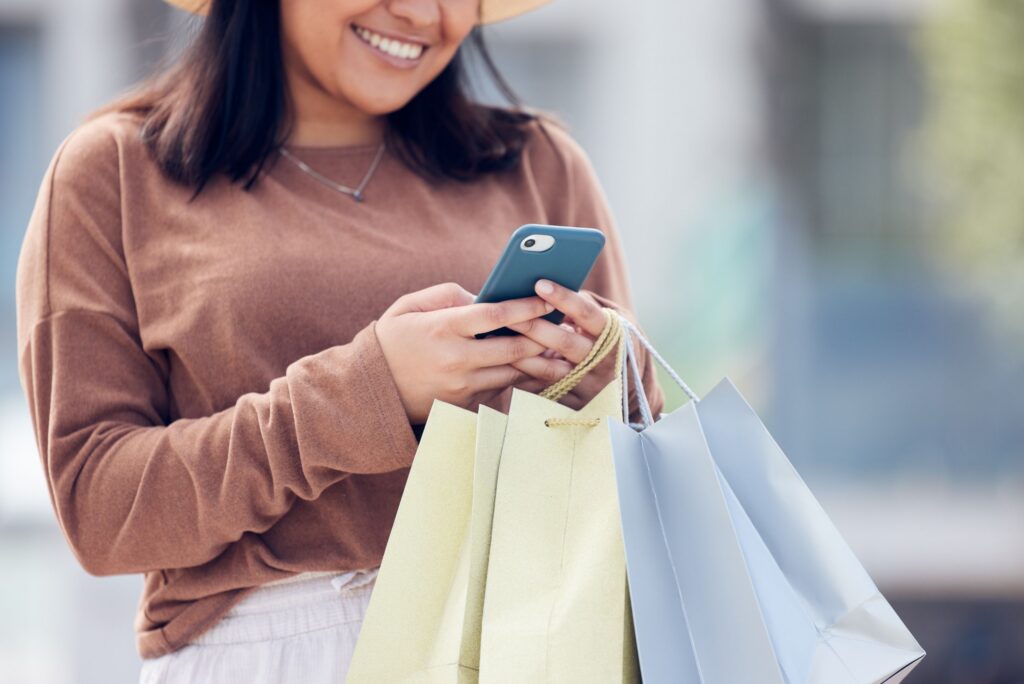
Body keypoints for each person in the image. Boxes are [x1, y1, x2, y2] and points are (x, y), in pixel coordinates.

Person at [15, 0, 665, 680]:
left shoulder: (538, 163)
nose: (421, 13)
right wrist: (367, 393)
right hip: (267, 654)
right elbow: (101, 513)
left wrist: (611, 383)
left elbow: (643, 472)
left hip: (524, 640)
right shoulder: (113, 172)